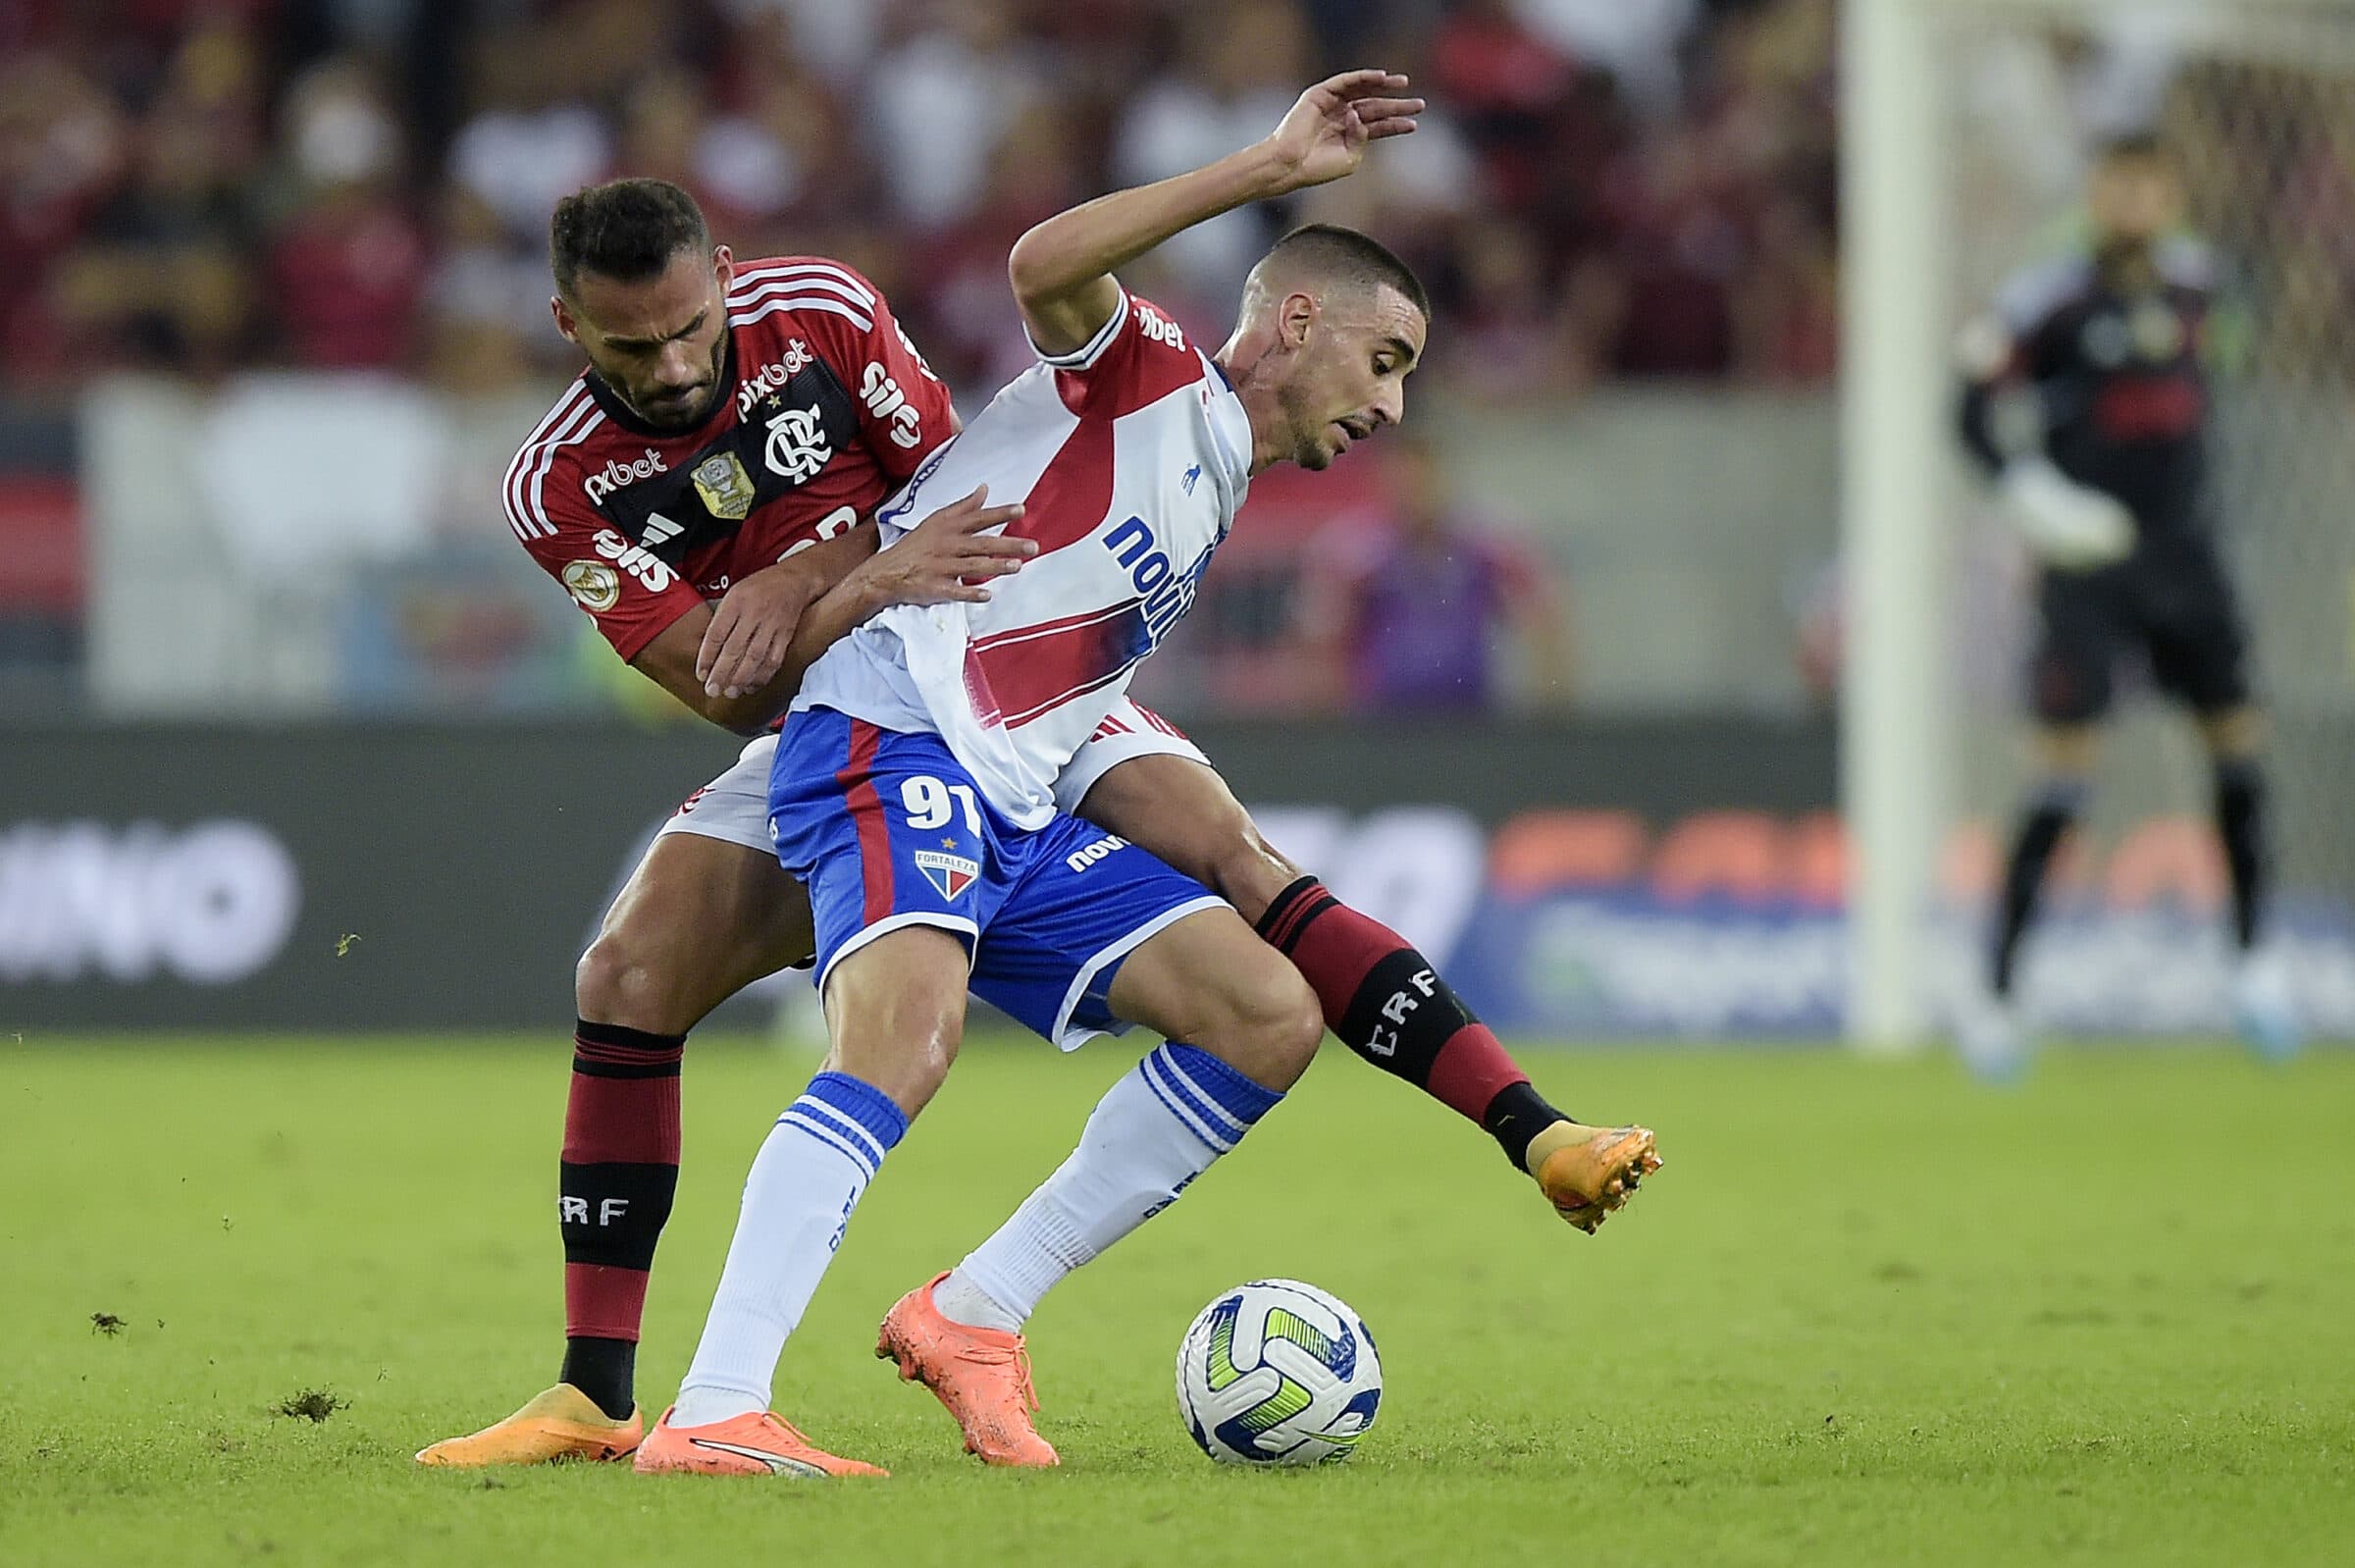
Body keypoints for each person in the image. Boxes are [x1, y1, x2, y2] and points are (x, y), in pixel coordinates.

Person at [421, 157, 1636, 1473]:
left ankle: (974, 1313)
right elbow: (1038, 278)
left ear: (723, 288)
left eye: (685, 331)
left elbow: (932, 485)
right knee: (834, 1017)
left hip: (1010, 735)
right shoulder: (1156, 369)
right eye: (1385, 361)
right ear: (1296, 322)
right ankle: (696, 1404)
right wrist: (1275, 168)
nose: (1393, 404)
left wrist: (1531, 1127)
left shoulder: (1176, 459)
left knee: (1265, 1005)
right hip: (894, 711)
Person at [1953, 131, 2297, 1074]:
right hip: (2090, 564)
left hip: (2188, 557)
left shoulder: (2204, 287)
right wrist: (2033, 497)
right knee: (2063, 768)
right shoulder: (2047, 295)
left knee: (2235, 746)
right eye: (2118, 186)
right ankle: (1996, 990)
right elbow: (1971, 406)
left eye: (2151, 186)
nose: (2134, 204)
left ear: (2173, 192)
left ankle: (2256, 963)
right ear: (2096, 193)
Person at [1313, 431, 1574, 712]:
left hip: (1473, 718)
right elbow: (1320, 648)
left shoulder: (1490, 544)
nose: (1414, 493)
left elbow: (1545, 628)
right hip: (1385, 721)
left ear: (1443, 477)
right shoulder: (1355, 552)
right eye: (1403, 481)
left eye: (1423, 480)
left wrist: (1551, 713)